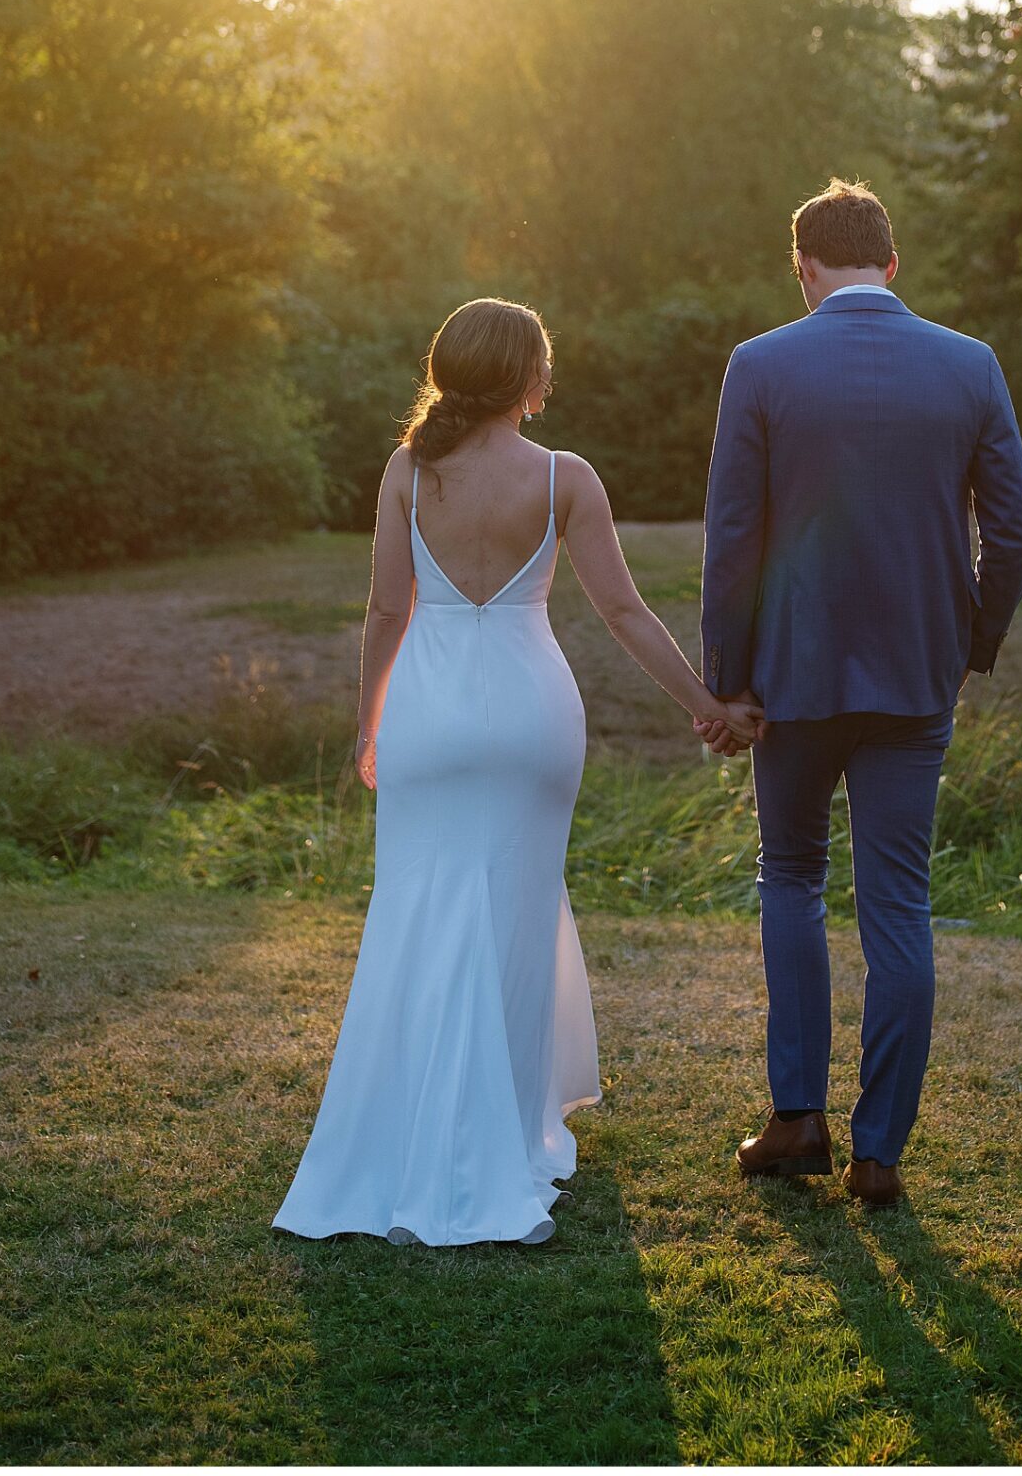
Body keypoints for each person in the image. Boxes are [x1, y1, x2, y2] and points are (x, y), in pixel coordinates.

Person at [273, 296, 762, 1246]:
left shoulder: (407, 471)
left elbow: (384, 611)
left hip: (429, 712)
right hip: (533, 716)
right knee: (514, 915)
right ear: (530, 382)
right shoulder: (564, 477)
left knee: (415, 912)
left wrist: (368, 723)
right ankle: (504, 1147)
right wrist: (706, 705)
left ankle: (414, 1149)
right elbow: (624, 614)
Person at [696, 178, 1022, 1207]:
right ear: (891, 265)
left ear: (802, 270)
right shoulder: (968, 365)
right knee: (899, 904)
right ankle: (878, 1149)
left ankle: (794, 1115)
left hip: (790, 678)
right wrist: (966, 643)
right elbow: (1013, 533)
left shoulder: (759, 364)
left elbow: (731, 540)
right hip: (912, 678)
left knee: (790, 877)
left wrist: (726, 682)